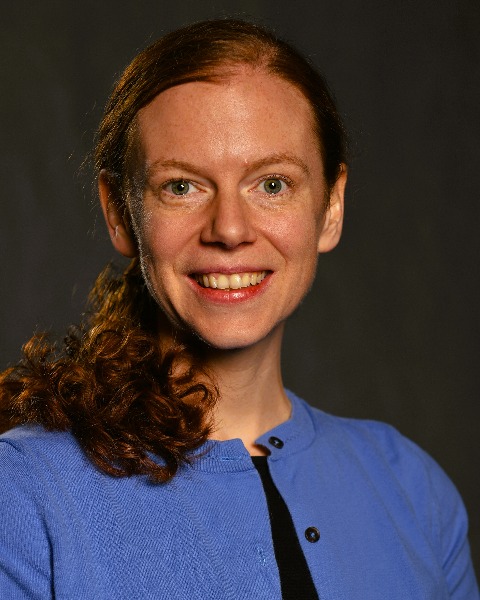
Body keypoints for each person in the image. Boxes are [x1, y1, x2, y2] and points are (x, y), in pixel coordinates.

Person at [0, 18, 478, 600]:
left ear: (331, 207)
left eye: (272, 184)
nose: (229, 229)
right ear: (120, 213)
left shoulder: (413, 490)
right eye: (182, 186)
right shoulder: (23, 493)